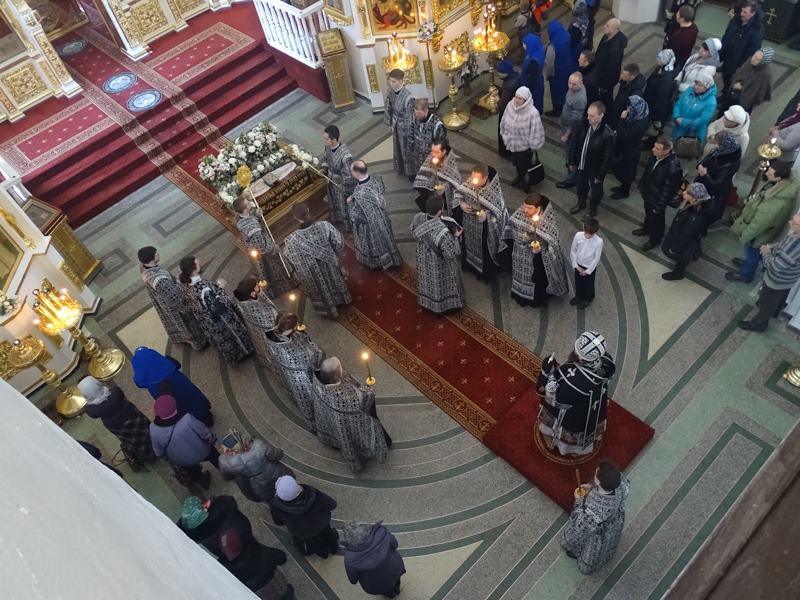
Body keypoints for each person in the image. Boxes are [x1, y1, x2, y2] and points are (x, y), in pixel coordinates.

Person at [536, 331, 615, 455]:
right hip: (595, 401)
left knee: (571, 422)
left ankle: (567, 447)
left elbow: (555, 401)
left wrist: (549, 374)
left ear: (581, 358)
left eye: (576, 351)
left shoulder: (572, 381)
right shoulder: (605, 360)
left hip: (575, 411)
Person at [311, 357, 390, 473]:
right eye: (340, 367)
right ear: (336, 374)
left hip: (330, 418)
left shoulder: (316, 381)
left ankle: (336, 443)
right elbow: (365, 400)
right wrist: (369, 390)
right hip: (346, 422)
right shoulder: (350, 398)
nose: (342, 368)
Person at [726, 161, 798, 282]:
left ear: (778, 178)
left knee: (752, 253)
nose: (766, 173)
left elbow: (757, 225)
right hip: (770, 230)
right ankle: (749, 264)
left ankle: (745, 274)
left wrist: (745, 236)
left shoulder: (771, 204)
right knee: (756, 253)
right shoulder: (788, 184)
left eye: (769, 173)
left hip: (759, 235)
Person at [178, 255, 253, 366]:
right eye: (198, 263)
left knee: (223, 339)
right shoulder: (202, 287)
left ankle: (233, 356)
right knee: (232, 334)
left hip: (206, 320)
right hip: (221, 319)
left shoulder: (186, 285)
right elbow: (218, 305)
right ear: (194, 269)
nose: (200, 264)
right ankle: (244, 351)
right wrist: (220, 289)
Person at [282, 202, 352, 319]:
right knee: (335, 280)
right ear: (308, 210)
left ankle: (330, 308)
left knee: (322, 287)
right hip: (330, 264)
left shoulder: (291, 240)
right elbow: (339, 244)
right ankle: (343, 299)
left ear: (295, 218)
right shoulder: (324, 225)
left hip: (313, 273)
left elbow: (292, 260)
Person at [561, 461, 630, 574]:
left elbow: (580, 523)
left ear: (598, 482)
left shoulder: (595, 509)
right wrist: (592, 488)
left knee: (589, 547)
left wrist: (579, 500)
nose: (594, 475)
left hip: (598, 531)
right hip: (614, 521)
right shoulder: (620, 483)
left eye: (596, 475)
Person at [502, 193, 569, 307]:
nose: (525, 210)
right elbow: (511, 226)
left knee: (537, 279)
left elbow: (553, 244)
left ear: (538, 209)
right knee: (519, 274)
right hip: (519, 254)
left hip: (537, 259)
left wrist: (540, 250)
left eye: (529, 208)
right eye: (524, 206)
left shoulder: (547, 222)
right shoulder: (520, 213)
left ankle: (536, 299)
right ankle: (520, 294)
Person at [79, 376, 156, 470]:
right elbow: (121, 395)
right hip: (132, 416)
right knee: (145, 429)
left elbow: (92, 414)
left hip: (117, 427)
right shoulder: (114, 393)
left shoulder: (91, 410)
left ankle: (147, 454)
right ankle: (158, 444)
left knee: (133, 441)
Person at [739, 214, 800, 332]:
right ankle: (775, 312)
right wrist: (772, 247)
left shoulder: (796, 246)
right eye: (792, 219)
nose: (790, 222)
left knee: (765, 303)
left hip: (777, 280)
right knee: (780, 297)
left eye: (794, 223)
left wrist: (766, 252)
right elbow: (784, 244)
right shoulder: (796, 235)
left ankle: (758, 324)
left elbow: (776, 266)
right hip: (787, 280)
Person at [138, 246, 206, 351]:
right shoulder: (161, 281)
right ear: (151, 261)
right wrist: (189, 304)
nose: (158, 254)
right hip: (175, 303)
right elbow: (176, 299)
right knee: (188, 322)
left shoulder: (144, 267)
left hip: (164, 296)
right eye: (156, 254)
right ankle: (199, 341)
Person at [266, 313, 325, 431]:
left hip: (288, 374)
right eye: (295, 326)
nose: (297, 327)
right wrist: (318, 352)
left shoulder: (272, 334)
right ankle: (315, 423)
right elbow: (310, 357)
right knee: (308, 398)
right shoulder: (292, 349)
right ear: (289, 330)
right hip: (301, 378)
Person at [453, 163, 509, 282]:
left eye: (477, 179)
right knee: (468, 244)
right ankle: (470, 266)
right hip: (468, 224)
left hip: (484, 229)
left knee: (483, 250)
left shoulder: (494, 192)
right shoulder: (471, 181)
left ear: (485, 178)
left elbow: (499, 214)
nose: (473, 181)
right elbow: (459, 193)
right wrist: (461, 204)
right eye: (472, 177)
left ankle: (484, 273)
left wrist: (486, 216)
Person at [232, 197, 298, 299]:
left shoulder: (239, 218)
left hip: (257, 250)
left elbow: (250, 218)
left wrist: (257, 215)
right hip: (266, 255)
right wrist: (275, 249)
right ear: (245, 210)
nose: (250, 203)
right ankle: (284, 286)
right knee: (275, 270)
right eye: (248, 203)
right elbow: (262, 247)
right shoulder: (253, 229)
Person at [131, 346, 213, 425]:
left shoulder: (140, 378)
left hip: (164, 396)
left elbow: (139, 384)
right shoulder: (166, 361)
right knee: (193, 399)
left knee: (179, 407)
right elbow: (178, 365)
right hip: (183, 388)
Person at [150, 395, 218, 488]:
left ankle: (203, 481)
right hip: (202, 450)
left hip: (181, 460)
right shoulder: (187, 419)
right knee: (215, 458)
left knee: (193, 473)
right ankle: (226, 472)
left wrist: (169, 459)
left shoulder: (153, 428)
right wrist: (212, 439)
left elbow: (158, 452)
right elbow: (204, 432)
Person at [410, 195, 464, 313]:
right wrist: (456, 236)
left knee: (427, 278)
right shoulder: (442, 232)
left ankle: (429, 302)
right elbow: (453, 252)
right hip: (438, 262)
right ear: (440, 210)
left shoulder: (418, 217)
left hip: (423, 256)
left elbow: (412, 230)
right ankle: (445, 305)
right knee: (440, 282)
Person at [270, 475, 339, 559]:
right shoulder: (311, 493)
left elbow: (278, 522)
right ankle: (334, 549)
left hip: (303, 532)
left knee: (314, 543)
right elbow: (331, 504)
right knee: (328, 535)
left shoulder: (276, 505)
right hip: (322, 523)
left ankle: (323, 554)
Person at [348, 160, 401, 270]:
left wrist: (350, 203)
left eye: (351, 171)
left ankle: (378, 263)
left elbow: (355, 217)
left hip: (371, 226)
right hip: (382, 217)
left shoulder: (358, 194)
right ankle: (393, 259)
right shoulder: (377, 177)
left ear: (356, 173)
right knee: (387, 238)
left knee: (376, 244)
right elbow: (382, 189)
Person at [633, 136, 683, 251]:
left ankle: (655, 239)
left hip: (657, 199)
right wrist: (642, 185)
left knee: (657, 220)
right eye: (654, 146)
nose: (653, 149)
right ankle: (646, 228)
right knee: (648, 213)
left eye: (657, 148)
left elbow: (668, 189)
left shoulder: (673, 167)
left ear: (666, 151)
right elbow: (648, 171)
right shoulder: (655, 156)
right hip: (649, 193)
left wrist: (660, 206)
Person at [568, 102, 615, 221]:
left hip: (595, 169)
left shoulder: (607, 134)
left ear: (601, 115)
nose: (588, 117)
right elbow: (574, 144)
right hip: (581, 165)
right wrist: (571, 161)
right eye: (588, 114)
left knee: (596, 191)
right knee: (580, 185)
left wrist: (600, 175)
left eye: (592, 116)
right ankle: (581, 202)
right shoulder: (582, 125)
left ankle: (592, 209)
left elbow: (607, 158)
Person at [218, 430, 294, 504]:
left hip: (254, 490)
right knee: (288, 490)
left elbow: (227, 477)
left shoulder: (224, 460)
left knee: (269, 499)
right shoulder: (258, 445)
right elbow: (277, 455)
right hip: (275, 476)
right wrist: (280, 451)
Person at [218, 528, 295, 600]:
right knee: (286, 594)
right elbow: (281, 558)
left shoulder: (225, 567)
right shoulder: (255, 549)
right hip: (276, 582)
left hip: (258, 592)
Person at [660, 183, 711, 281]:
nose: (683, 192)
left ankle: (678, 273)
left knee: (681, 258)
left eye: (687, 192)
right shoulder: (691, 205)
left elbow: (685, 236)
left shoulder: (695, 217)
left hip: (682, 242)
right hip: (678, 235)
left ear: (694, 198)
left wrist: (674, 248)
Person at [343, 520, 406, 598]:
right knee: (396, 580)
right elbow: (394, 545)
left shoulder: (350, 557)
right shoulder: (381, 533)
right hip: (395, 568)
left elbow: (353, 580)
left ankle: (389, 595)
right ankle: (397, 589)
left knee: (383, 589)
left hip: (374, 585)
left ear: (349, 541)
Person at [500, 87, 545, 193]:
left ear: (526, 100)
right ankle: (519, 176)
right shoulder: (510, 105)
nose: (516, 100)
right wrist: (504, 133)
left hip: (524, 146)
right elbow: (504, 119)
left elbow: (536, 131)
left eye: (520, 98)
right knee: (516, 162)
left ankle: (525, 181)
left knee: (525, 165)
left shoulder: (532, 113)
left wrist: (532, 146)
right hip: (512, 143)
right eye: (516, 97)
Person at [178, 495, 255, 558]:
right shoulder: (224, 510)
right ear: (204, 509)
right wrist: (213, 504)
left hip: (230, 553)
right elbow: (227, 502)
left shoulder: (199, 536)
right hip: (245, 538)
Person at [695, 130, 742, 232]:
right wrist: (700, 165)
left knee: (702, 215)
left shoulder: (729, 163)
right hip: (704, 183)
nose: (715, 146)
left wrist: (705, 175)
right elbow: (709, 157)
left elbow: (716, 184)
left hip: (712, 192)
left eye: (717, 143)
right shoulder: (725, 150)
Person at [233, 278, 282, 374]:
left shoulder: (243, 298)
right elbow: (269, 323)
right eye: (257, 286)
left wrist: (261, 292)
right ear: (252, 293)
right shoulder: (253, 309)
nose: (259, 286)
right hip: (265, 333)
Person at [719, 2, 764, 95]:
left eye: (745, 12)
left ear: (753, 13)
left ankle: (727, 95)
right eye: (742, 11)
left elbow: (752, 49)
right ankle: (725, 91)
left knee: (733, 79)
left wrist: (742, 65)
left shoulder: (757, 29)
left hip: (738, 61)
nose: (741, 14)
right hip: (728, 55)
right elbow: (727, 35)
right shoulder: (736, 19)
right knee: (725, 75)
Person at [610, 95, 649, 200]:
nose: (628, 109)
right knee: (625, 169)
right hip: (627, 148)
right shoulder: (638, 117)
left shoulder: (638, 126)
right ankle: (622, 187)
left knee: (628, 171)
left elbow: (622, 135)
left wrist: (621, 120)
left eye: (630, 107)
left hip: (631, 151)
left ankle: (625, 191)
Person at [585, 18, 627, 113]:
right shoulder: (606, 37)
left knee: (606, 99)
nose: (604, 26)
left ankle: (607, 115)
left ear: (613, 29)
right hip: (599, 74)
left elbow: (612, 69)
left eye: (607, 25)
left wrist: (604, 85)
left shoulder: (615, 49)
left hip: (606, 81)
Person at [322, 125, 358, 232]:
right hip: (331, 182)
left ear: (334, 140)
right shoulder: (327, 148)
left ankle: (348, 227)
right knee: (334, 201)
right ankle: (337, 219)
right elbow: (325, 159)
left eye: (326, 139)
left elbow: (349, 177)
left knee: (343, 206)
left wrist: (341, 186)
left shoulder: (346, 156)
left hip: (341, 185)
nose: (324, 141)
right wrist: (324, 170)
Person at [383, 69, 416, 180]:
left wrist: (408, 133)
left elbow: (410, 117)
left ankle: (411, 173)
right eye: (390, 81)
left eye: (394, 81)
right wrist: (390, 123)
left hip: (404, 127)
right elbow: (388, 106)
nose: (391, 84)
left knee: (406, 149)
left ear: (401, 81)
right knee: (397, 147)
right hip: (395, 123)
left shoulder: (408, 97)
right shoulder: (390, 91)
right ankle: (400, 168)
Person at [555, 73, 588, 189]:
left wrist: (567, 134)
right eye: (569, 82)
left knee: (571, 155)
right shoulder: (574, 89)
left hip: (571, 129)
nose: (570, 86)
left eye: (574, 84)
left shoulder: (580, 99)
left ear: (581, 83)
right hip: (566, 123)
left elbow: (575, 121)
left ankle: (570, 179)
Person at [413, 140, 461, 214]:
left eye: (436, 152)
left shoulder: (450, 162)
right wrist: (428, 184)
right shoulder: (430, 158)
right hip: (431, 193)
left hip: (445, 195)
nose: (433, 154)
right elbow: (424, 173)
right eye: (432, 151)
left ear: (444, 152)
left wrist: (445, 188)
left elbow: (456, 182)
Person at [721, 47, 773, 114]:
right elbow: (740, 73)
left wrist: (742, 88)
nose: (753, 59)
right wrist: (736, 82)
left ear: (763, 62)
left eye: (757, 59)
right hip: (733, 94)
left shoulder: (765, 74)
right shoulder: (749, 62)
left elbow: (757, 92)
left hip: (744, 103)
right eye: (754, 55)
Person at [672, 73, 717, 144]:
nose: (696, 87)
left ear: (707, 87)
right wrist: (677, 116)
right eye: (695, 84)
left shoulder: (711, 101)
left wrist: (683, 122)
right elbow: (678, 104)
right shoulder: (689, 90)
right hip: (679, 127)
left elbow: (703, 119)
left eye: (700, 85)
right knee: (676, 143)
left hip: (694, 133)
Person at [570, 219, 603, 309]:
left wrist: (588, 271)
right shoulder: (578, 235)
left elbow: (596, 258)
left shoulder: (599, 241)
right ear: (583, 228)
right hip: (578, 265)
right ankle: (578, 296)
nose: (588, 236)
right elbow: (573, 250)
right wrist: (576, 265)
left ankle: (588, 298)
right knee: (578, 282)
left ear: (595, 232)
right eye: (586, 233)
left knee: (589, 284)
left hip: (589, 267)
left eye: (591, 234)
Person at [643, 50, 677, 136]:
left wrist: (657, 117)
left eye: (659, 58)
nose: (656, 59)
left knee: (653, 129)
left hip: (655, 107)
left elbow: (662, 101)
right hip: (650, 100)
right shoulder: (661, 68)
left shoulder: (667, 80)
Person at [411, 99, 447, 177]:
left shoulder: (437, 125)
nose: (416, 115)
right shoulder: (416, 118)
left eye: (419, 113)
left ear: (426, 111)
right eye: (415, 112)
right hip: (418, 157)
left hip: (431, 160)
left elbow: (442, 144)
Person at [544, 21, 573, 117]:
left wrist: (548, 75)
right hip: (568, 65)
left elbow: (549, 64)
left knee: (557, 91)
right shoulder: (567, 36)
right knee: (566, 87)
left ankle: (557, 110)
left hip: (557, 71)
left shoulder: (552, 47)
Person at [496, 59, 522, 157]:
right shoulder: (516, 76)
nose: (498, 74)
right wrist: (500, 91)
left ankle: (505, 153)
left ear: (504, 73)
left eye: (499, 72)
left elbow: (503, 106)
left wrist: (497, 98)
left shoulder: (507, 87)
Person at [608, 64, 646, 129]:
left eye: (625, 75)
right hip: (616, 111)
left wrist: (620, 123)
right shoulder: (625, 83)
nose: (621, 76)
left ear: (632, 77)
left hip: (620, 117)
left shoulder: (635, 95)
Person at [663, 5, 698, 69]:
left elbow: (671, 53)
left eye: (678, 14)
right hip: (685, 57)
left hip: (675, 62)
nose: (676, 14)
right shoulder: (694, 28)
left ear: (682, 19)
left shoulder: (678, 36)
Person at [521, 33, 545, 114]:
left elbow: (532, 78)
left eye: (524, 44)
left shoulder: (533, 62)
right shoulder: (538, 51)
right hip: (539, 81)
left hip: (533, 88)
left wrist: (526, 91)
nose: (523, 46)